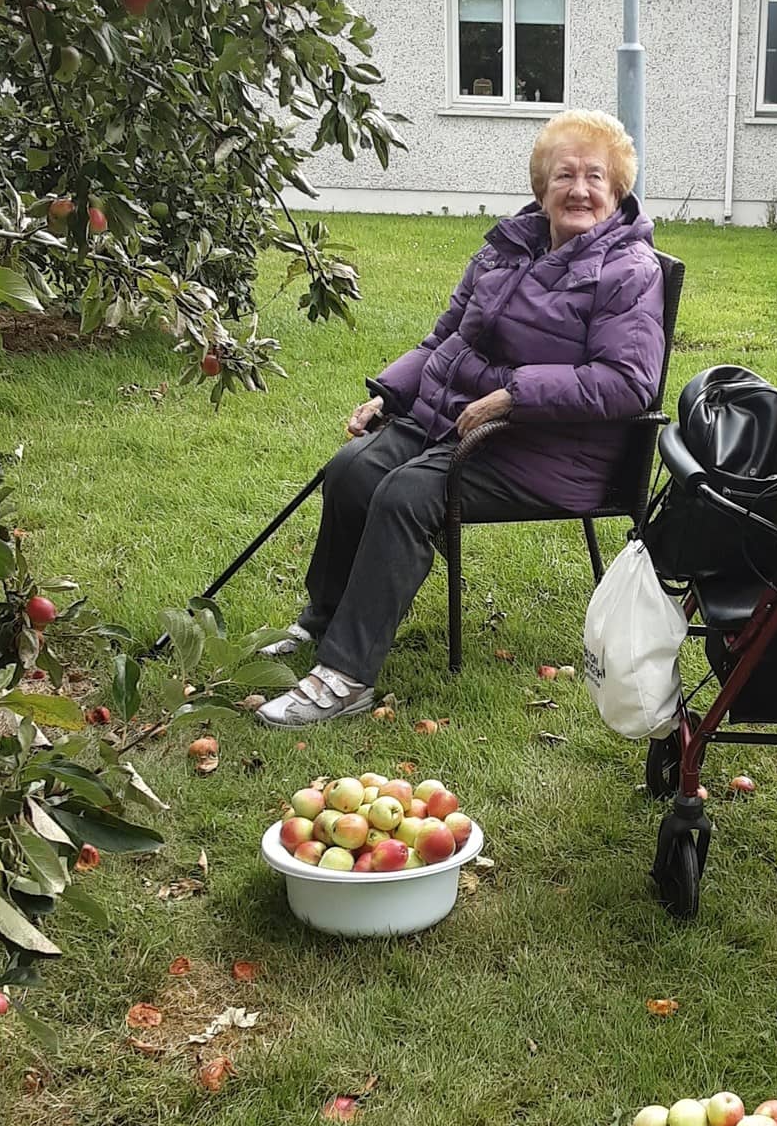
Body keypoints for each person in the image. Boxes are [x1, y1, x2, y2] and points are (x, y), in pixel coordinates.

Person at [258, 109, 665, 728]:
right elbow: (444, 336)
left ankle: (346, 675)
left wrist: (515, 396)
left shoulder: (628, 271)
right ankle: (322, 621)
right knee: (349, 471)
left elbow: (629, 383)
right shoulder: (509, 248)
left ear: (617, 191)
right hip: (459, 420)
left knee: (405, 494)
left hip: (550, 448)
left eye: (595, 177)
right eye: (564, 175)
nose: (579, 190)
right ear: (541, 187)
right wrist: (391, 396)